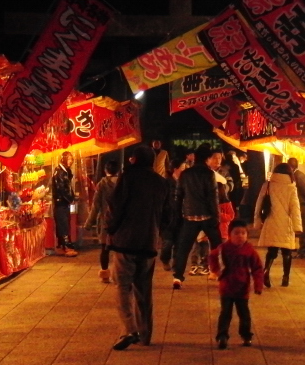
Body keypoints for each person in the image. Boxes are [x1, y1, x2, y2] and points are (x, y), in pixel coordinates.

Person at [106, 145, 171, 350]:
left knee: (122, 287)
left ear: (134, 160)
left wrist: (111, 230)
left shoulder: (128, 178)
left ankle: (130, 329)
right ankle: (145, 335)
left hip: (126, 242)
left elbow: (116, 207)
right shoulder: (162, 183)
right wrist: (159, 234)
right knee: (144, 291)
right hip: (148, 243)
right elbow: (168, 214)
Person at [171, 144, 223, 290]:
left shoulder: (185, 174)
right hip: (207, 216)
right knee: (217, 245)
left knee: (184, 248)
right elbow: (213, 197)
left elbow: (179, 195)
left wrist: (178, 215)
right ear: (207, 158)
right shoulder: (209, 174)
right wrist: (216, 217)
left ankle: (178, 277)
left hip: (189, 216)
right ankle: (219, 272)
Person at [208, 218, 265, 349]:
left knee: (244, 314)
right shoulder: (224, 248)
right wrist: (216, 271)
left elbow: (257, 268)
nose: (240, 236)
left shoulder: (249, 250)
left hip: (242, 288)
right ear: (230, 235)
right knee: (225, 313)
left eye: (243, 233)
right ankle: (222, 336)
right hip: (226, 287)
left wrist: (258, 284)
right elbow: (212, 256)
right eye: (236, 233)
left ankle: (246, 335)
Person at [254, 162, 303, 287]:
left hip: (271, 221)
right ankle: (285, 277)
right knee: (287, 252)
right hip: (286, 224)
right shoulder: (291, 187)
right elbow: (295, 208)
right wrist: (297, 226)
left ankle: (266, 271)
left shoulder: (268, 185)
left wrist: (257, 221)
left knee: (272, 251)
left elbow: (259, 204)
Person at [85, 160, 120, 282]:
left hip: (105, 221)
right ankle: (119, 275)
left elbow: (96, 205)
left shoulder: (102, 184)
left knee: (105, 249)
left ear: (106, 170)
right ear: (118, 171)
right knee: (119, 251)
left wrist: (89, 223)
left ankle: (105, 275)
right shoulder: (123, 183)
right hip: (121, 222)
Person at [51, 150, 79, 256]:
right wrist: (71, 198)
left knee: (63, 223)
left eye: (71, 159)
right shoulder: (60, 172)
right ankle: (66, 246)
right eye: (69, 159)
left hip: (62, 203)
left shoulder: (63, 171)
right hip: (61, 203)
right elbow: (63, 189)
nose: (71, 161)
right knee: (63, 224)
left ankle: (62, 245)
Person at [287, 157, 305, 257]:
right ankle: (301, 250)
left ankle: (304, 251)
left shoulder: (299, 176)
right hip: (301, 206)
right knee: (301, 229)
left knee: (304, 229)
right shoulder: (296, 175)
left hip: (304, 206)